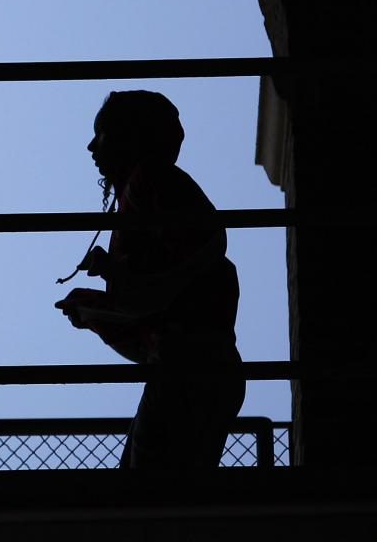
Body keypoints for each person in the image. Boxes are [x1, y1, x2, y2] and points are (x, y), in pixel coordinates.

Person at [56, 90, 245, 468]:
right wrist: (97, 309)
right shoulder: (146, 191)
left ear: (131, 137)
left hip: (189, 370)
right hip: (196, 369)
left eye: (103, 134)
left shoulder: (148, 182)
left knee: (147, 497)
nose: (92, 147)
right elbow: (157, 300)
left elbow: (157, 297)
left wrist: (102, 298)